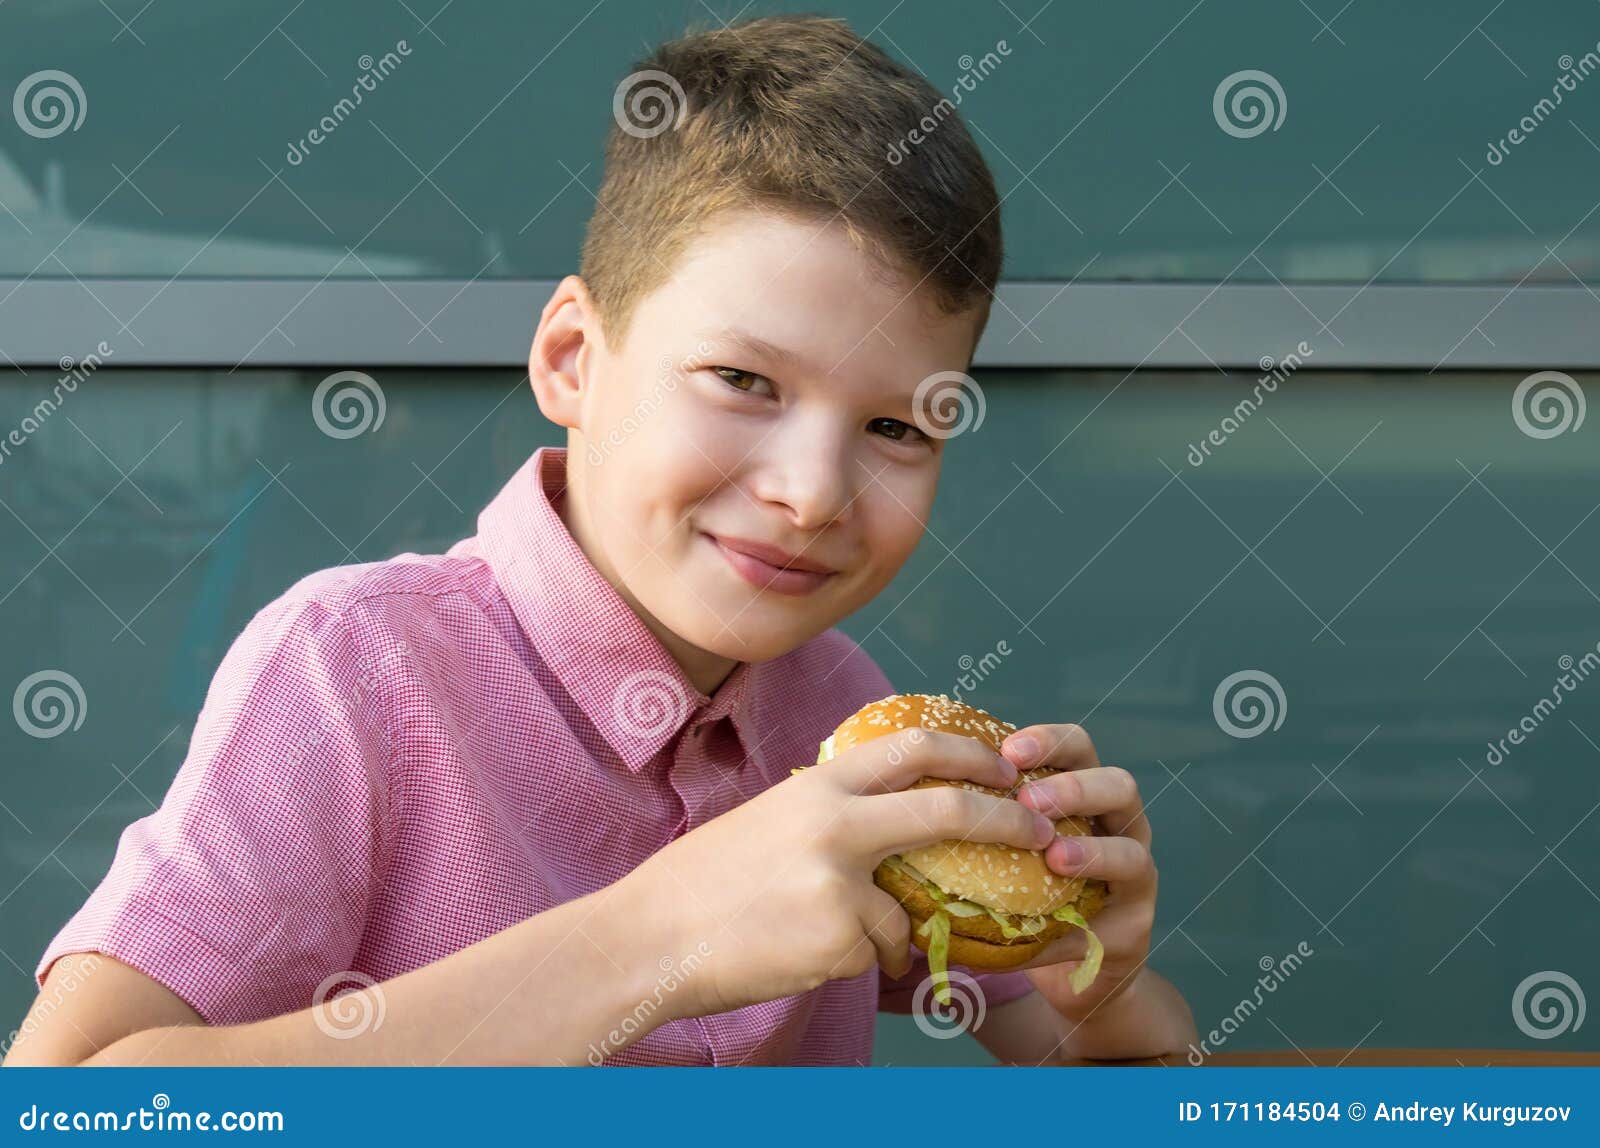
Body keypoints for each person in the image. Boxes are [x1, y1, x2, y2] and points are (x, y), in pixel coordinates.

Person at [5, 13, 1194, 1066]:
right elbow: (73, 1103)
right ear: (573, 358)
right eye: (742, 380)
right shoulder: (352, 667)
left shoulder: (841, 708)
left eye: (896, 425)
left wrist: (1091, 987)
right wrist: (654, 936)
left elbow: (1109, 1066)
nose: (812, 493)